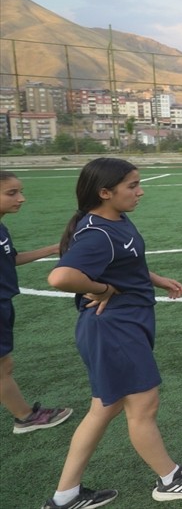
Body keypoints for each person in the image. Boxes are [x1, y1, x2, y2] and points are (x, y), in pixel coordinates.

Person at [43, 158, 182, 508]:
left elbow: (125, 259)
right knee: (143, 405)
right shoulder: (98, 233)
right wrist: (104, 289)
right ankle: (170, 479)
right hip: (113, 330)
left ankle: (65, 496)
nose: (141, 191)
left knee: (103, 410)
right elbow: (60, 277)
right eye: (132, 186)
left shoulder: (115, 220)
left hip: (123, 327)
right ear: (105, 192)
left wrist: (154, 278)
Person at [1, 171, 73, 435]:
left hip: (5, 302)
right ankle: (25, 417)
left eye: (20, 191)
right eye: (11, 193)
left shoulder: (1, 227)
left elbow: (12, 259)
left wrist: (53, 249)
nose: (21, 198)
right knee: (3, 366)